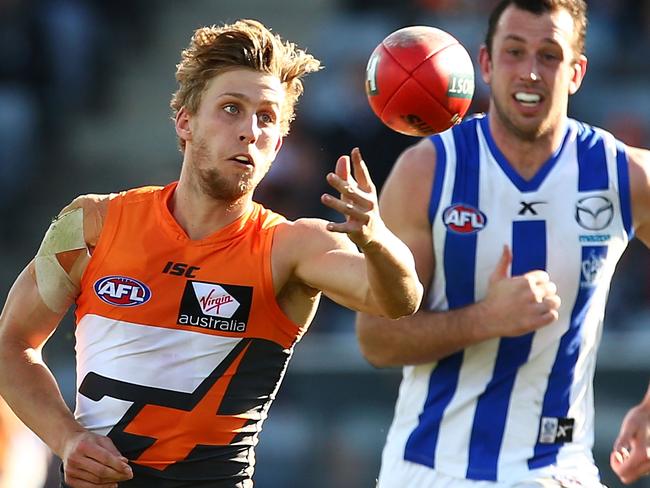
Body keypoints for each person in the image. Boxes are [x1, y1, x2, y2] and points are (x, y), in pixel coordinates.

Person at [0, 19, 423, 488]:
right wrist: (67, 439)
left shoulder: (291, 246)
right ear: (185, 121)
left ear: (278, 145)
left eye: (266, 118)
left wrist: (376, 238)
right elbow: (11, 344)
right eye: (230, 109)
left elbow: (398, 300)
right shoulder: (94, 223)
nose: (249, 130)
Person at [356, 0, 650, 486]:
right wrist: (487, 319)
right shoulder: (428, 170)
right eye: (514, 52)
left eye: (550, 55)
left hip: (559, 469)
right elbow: (376, 339)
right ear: (486, 65)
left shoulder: (624, 174)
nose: (530, 72)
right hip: (429, 469)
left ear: (576, 72)